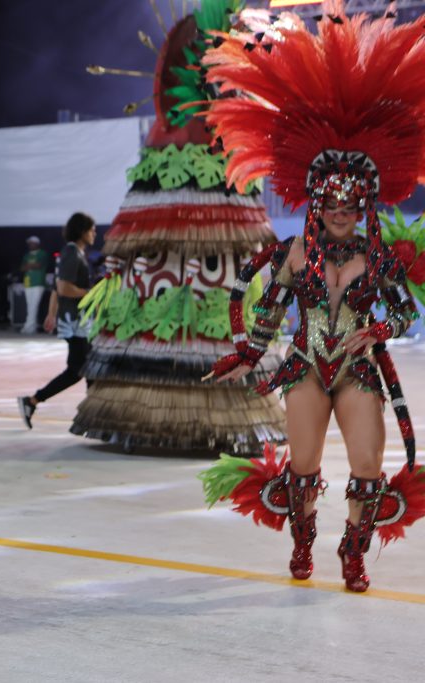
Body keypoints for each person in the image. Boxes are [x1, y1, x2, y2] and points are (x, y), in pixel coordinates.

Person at [201, 5, 425, 593]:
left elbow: (404, 310)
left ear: (365, 210)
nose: (343, 218)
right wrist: (248, 354)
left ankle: (352, 554)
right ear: (317, 208)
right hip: (303, 367)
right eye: (334, 209)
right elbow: (269, 310)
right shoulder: (295, 254)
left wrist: (377, 331)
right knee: (301, 468)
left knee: (369, 468)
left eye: (352, 210)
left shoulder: (379, 258)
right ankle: (303, 542)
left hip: (357, 371)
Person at [18, 214, 95, 428]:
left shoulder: (74, 252)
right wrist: (90, 293)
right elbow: (63, 288)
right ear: (82, 231)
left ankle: (94, 413)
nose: (94, 233)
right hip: (75, 323)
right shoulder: (72, 252)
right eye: (91, 229)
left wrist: (52, 314)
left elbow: (56, 288)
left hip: (76, 321)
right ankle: (32, 401)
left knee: (87, 367)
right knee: (78, 369)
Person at [19, 235, 48, 333]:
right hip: (28, 282)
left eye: (32, 243)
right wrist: (31, 266)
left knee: (34, 305)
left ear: (37, 244)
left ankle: (29, 327)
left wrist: (29, 266)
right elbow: (22, 268)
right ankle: (30, 326)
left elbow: (38, 265)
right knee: (29, 305)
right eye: (29, 243)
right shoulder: (27, 255)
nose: (30, 245)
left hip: (38, 282)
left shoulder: (42, 253)